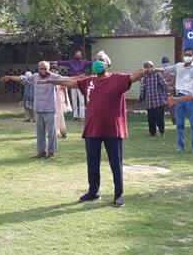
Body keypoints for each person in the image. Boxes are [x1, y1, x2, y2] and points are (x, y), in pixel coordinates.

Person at [40, 51, 146, 207]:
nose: (98, 62)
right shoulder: (89, 81)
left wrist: (146, 71)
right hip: (92, 128)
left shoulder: (118, 79)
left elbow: (134, 77)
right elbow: (71, 83)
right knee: (92, 161)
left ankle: (119, 194)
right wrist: (52, 81)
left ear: (108, 64)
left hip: (112, 129)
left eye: (101, 60)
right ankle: (93, 192)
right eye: (96, 60)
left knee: (115, 162)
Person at [0, 61, 63, 158]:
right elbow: (22, 79)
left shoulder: (53, 77)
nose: (43, 70)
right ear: (38, 69)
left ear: (48, 69)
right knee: (40, 132)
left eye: (45, 68)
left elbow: (66, 80)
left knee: (51, 133)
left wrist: (80, 78)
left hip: (49, 108)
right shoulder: (35, 77)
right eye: (41, 68)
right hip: (38, 108)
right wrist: (9, 77)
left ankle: (51, 152)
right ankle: (41, 152)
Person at [51, 49, 92, 120]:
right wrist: (48, 62)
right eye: (77, 55)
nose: (78, 56)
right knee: (74, 100)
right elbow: (60, 62)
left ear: (81, 56)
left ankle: (82, 116)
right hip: (72, 82)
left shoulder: (84, 63)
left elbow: (93, 64)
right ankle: (75, 116)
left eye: (79, 55)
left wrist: (87, 74)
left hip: (81, 82)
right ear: (74, 56)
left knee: (81, 100)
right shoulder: (71, 62)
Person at [137, 60, 169, 137]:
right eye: (146, 67)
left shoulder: (157, 75)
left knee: (159, 119)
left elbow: (165, 86)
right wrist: (140, 99)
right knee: (151, 120)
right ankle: (152, 133)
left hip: (159, 102)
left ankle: (162, 132)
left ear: (153, 67)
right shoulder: (145, 78)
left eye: (149, 67)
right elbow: (143, 89)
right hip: (149, 103)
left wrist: (166, 96)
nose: (148, 69)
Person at [52, 65, 73, 138]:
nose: (54, 72)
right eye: (52, 71)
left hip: (59, 100)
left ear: (58, 72)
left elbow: (65, 91)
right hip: (52, 100)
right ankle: (61, 131)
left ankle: (59, 131)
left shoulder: (60, 79)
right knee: (55, 116)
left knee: (59, 115)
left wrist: (66, 101)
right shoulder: (50, 79)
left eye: (55, 71)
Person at [160, 57, 176, 125]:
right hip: (169, 90)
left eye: (165, 62)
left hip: (164, 90)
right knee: (172, 106)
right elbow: (174, 81)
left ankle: (160, 121)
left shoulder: (161, 71)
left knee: (163, 106)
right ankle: (174, 121)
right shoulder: (172, 71)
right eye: (164, 62)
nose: (165, 64)